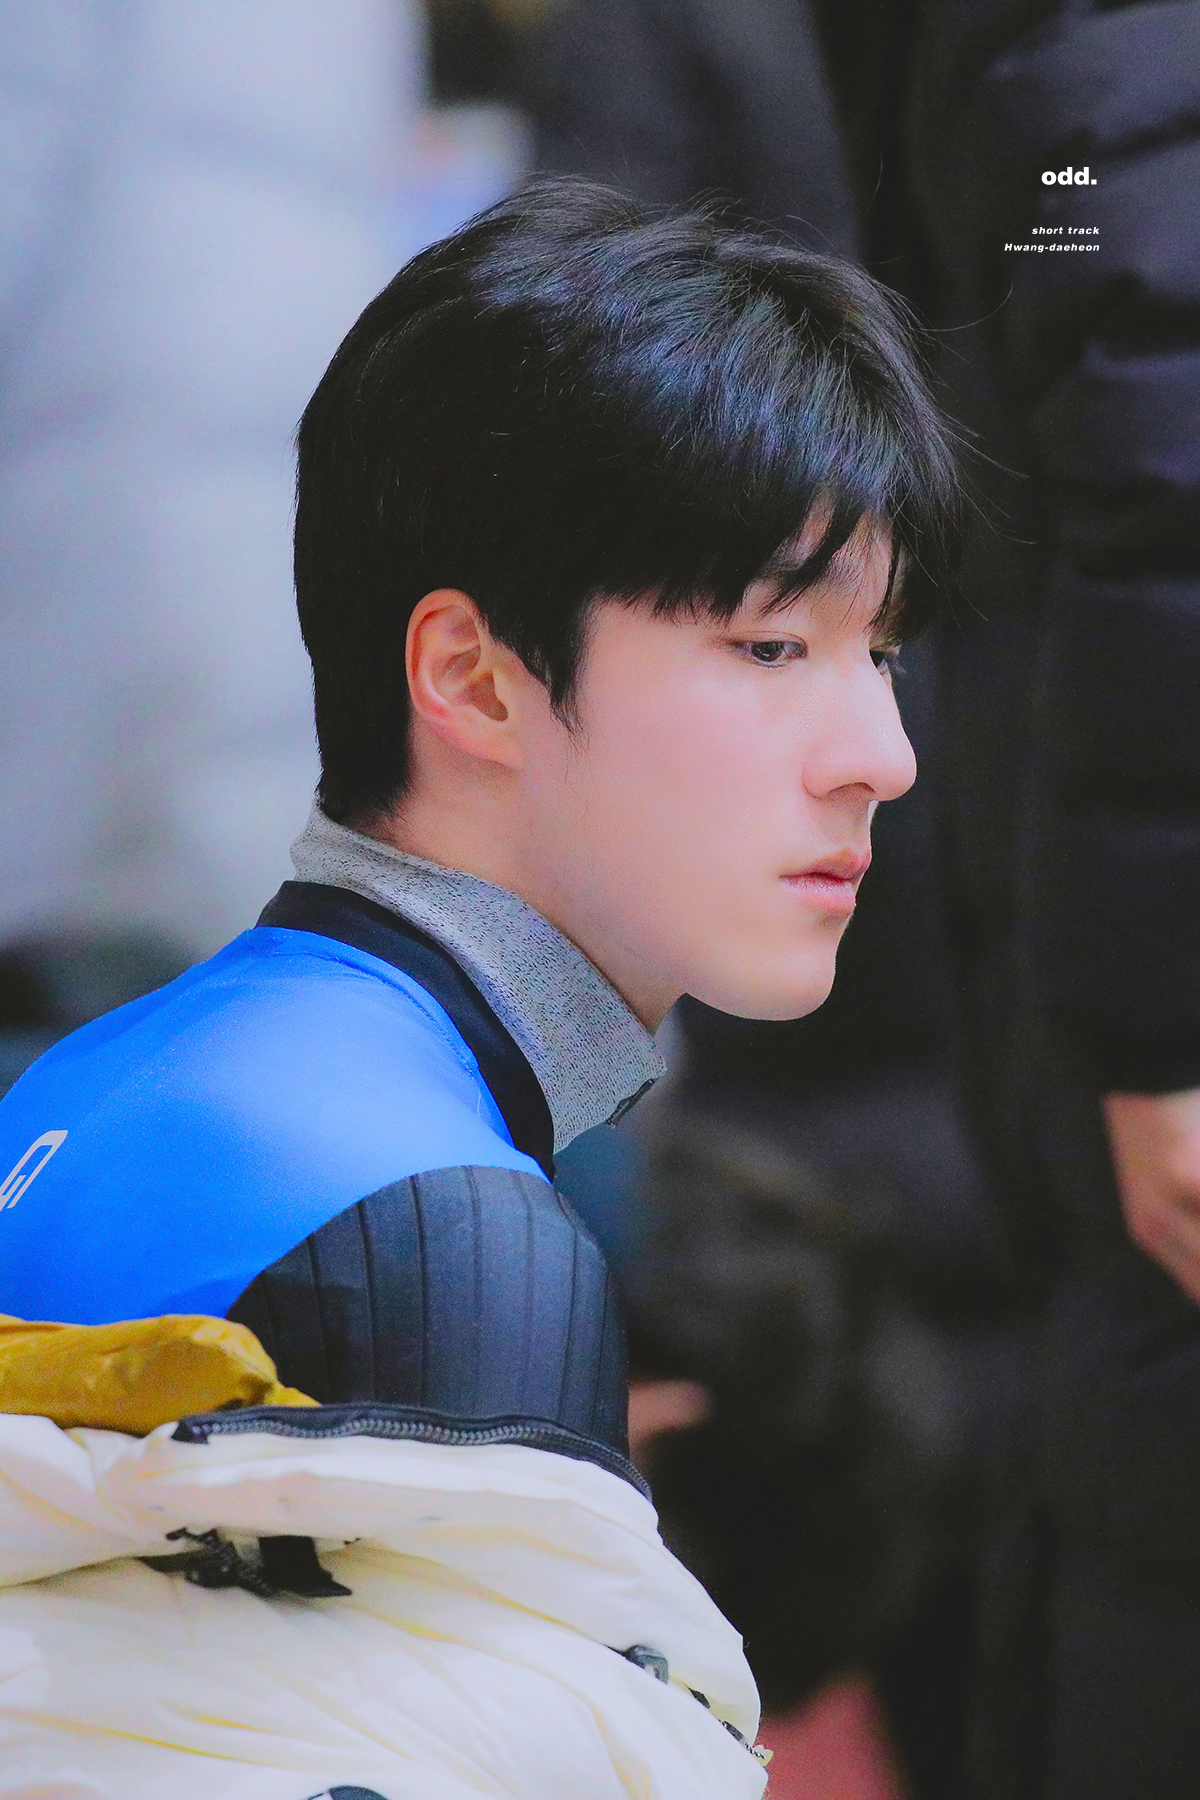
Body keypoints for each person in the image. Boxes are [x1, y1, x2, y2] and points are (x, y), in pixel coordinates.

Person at [0, 180, 960, 1796]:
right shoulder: (448, 1240)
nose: (882, 755)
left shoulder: (86, 1078)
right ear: (471, 679)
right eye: (772, 647)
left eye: (884, 654)